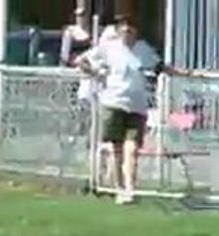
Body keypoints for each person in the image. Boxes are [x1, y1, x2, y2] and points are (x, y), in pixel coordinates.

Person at [78, 15, 192, 205]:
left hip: (137, 105)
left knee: (132, 148)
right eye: (123, 26)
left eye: (130, 26)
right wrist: (95, 73)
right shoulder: (108, 48)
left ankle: (130, 188)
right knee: (116, 149)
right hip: (113, 102)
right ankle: (119, 188)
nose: (127, 30)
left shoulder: (142, 49)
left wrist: (187, 73)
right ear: (118, 29)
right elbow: (81, 61)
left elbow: (161, 67)